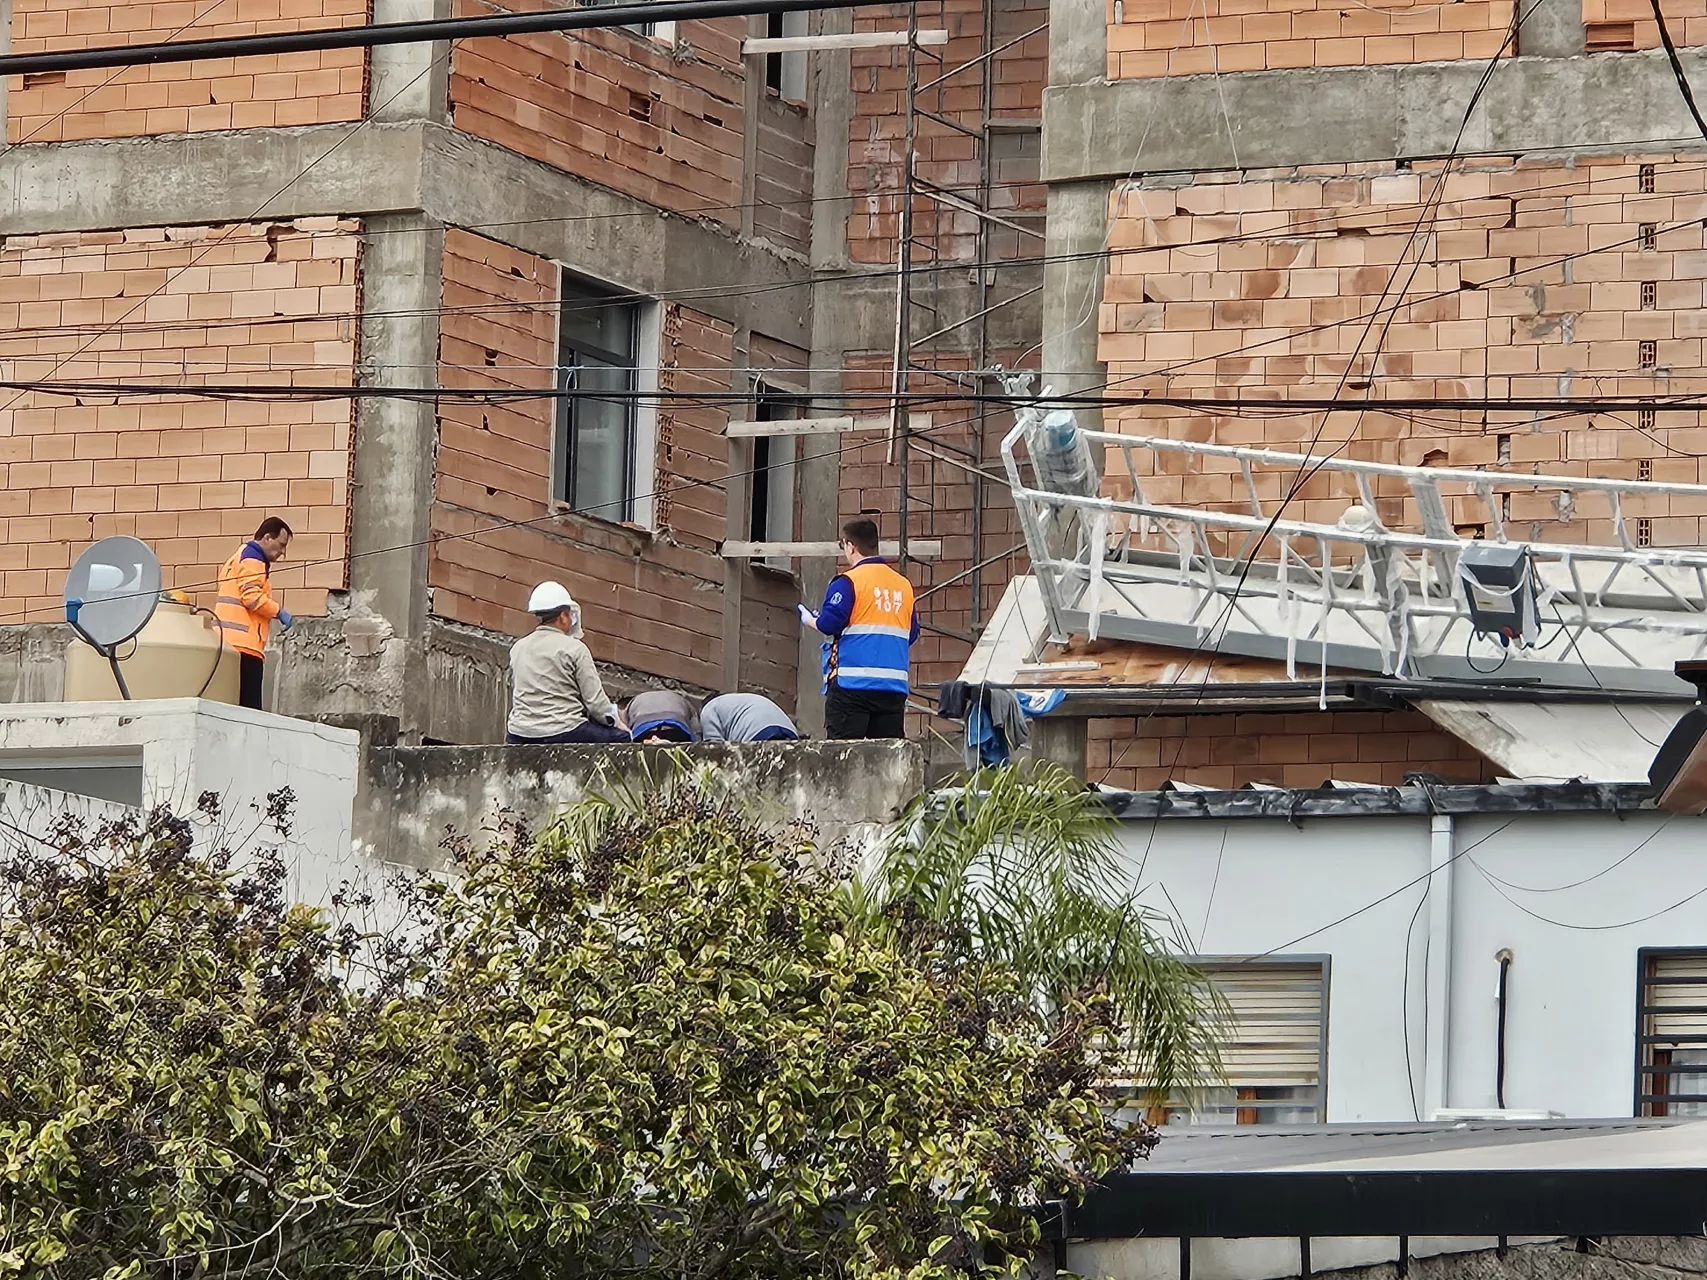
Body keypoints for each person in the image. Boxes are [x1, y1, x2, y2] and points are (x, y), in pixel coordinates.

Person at [797, 517, 917, 740]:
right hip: (892, 689)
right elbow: (911, 633)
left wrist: (809, 620)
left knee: (843, 759)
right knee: (885, 762)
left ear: (851, 546)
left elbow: (829, 624)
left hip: (851, 686)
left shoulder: (849, 581)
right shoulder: (903, 586)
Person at [506, 582, 629, 745]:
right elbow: (596, 705)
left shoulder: (518, 648)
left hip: (519, 734)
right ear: (563, 615)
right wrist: (620, 725)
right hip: (564, 730)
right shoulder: (575, 649)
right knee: (623, 739)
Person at [215, 516, 294, 711]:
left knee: (228, 707)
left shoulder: (239, 555)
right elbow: (251, 597)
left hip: (226, 642)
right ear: (267, 538)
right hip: (244, 646)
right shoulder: (254, 558)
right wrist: (279, 611)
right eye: (281, 545)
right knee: (249, 713)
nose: (282, 553)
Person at [700, 692, 799, 743]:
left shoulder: (708, 708)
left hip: (757, 731)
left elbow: (715, 748)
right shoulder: (736, 701)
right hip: (789, 730)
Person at [627, 689, 698, 744]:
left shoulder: (636, 700)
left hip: (645, 728)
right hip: (675, 725)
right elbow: (695, 727)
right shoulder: (680, 698)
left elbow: (627, 724)